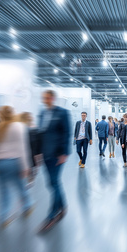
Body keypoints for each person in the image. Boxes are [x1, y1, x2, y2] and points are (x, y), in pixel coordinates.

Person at [0, 106, 33, 228]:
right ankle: (27, 206)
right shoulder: (18, 126)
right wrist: (26, 167)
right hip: (14, 162)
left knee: (4, 192)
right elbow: (23, 148)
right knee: (20, 186)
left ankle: (3, 217)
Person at [38, 90, 72, 233]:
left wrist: (64, 152)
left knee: (54, 181)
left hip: (57, 155)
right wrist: (38, 152)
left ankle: (51, 216)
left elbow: (67, 132)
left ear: (52, 98)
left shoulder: (62, 113)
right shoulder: (42, 114)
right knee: (52, 182)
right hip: (45, 154)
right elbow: (40, 133)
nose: (44, 100)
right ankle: (63, 206)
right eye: (43, 97)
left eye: (46, 97)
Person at [19, 112, 42, 188]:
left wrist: (39, 154)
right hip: (25, 150)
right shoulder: (21, 128)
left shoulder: (34, 128)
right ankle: (28, 179)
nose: (29, 118)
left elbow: (38, 141)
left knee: (33, 166)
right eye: (27, 117)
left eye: (30, 116)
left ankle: (30, 179)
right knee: (28, 166)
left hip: (33, 150)